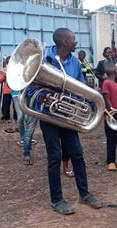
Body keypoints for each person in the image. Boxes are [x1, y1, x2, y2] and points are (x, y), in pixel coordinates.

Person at [30, 28, 102, 215]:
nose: (75, 42)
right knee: (54, 157)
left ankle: (84, 194)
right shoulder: (43, 60)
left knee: (77, 154)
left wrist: (91, 104)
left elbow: (80, 88)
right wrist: (42, 97)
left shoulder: (75, 62)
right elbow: (29, 89)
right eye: (72, 39)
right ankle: (57, 200)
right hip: (49, 116)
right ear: (63, 41)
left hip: (68, 116)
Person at [0, 56, 13, 123]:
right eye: (8, 62)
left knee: (16, 105)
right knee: (5, 105)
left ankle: (16, 117)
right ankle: (6, 117)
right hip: (6, 90)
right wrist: (4, 76)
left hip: (15, 91)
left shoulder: (16, 69)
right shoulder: (3, 70)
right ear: (6, 63)